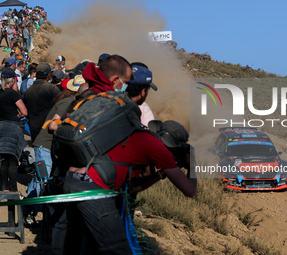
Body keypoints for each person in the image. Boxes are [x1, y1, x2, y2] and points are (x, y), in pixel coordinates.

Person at [61, 55, 197, 254]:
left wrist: (159, 175)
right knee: (118, 249)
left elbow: (130, 188)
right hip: (93, 189)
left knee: (80, 244)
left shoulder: (117, 117)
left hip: (73, 178)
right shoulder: (152, 144)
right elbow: (189, 190)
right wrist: (193, 164)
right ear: (144, 91)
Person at [23, 78, 86, 225]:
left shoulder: (70, 102)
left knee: (41, 180)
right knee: (41, 181)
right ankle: (27, 213)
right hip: (45, 146)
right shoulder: (67, 103)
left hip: (48, 146)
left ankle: (30, 211)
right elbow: (53, 126)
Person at [0, 68, 27, 192]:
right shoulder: (13, 94)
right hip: (12, 127)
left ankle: (4, 188)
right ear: (12, 81)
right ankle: (14, 189)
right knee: (13, 159)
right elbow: (25, 112)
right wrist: (20, 115)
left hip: (1, 127)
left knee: (4, 159)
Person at [24, 62, 60, 143]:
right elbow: (61, 106)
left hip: (34, 129)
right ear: (49, 75)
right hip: (48, 130)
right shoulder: (52, 89)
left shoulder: (28, 91)